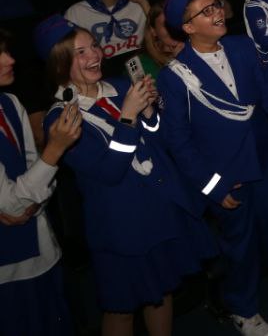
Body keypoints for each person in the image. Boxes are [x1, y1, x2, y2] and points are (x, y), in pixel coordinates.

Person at [156, 0, 268, 335]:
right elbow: (179, 143)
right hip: (228, 174)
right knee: (240, 244)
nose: (217, 13)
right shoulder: (175, 77)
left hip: (264, 156)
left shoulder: (242, 46)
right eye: (206, 11)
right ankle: (243, 307)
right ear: (187, 27)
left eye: (216, 5)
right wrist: (213, 186)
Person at [43, 21, 214, 336]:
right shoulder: (60, 118)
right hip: (121, 225)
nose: (94, 55)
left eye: (94, 46)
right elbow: (109, 171)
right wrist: (128, 116)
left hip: (157, 207)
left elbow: (158, 139)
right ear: (60, 64)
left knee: (162, 291)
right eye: (80, 52)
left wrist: (148, 114)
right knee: (121, 309)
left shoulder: (121, 86)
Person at [1, 24, 80, 336]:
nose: (11, 60)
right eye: (0, 55)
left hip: (44, 249)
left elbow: (39, 176)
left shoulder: (10, 103)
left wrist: (31, 199)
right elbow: (11, 202)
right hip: (9, 271)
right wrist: (56, 148)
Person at [64, 0, 150, 65]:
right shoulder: (77, 12)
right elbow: (66, 49)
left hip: (138, 60)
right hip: (101, 65)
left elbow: (158, 29)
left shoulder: (136, 3)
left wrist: (143, 2)